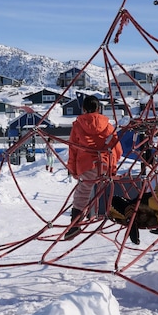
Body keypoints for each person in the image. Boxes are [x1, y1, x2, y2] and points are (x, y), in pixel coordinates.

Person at [64, 95, 122, 240]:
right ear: (99, 108)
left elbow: (73, 150)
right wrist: (112, 165)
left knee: (82, 193)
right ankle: (127, 215)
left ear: (83, 109)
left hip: (87, 165)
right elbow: (117, 148)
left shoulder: (77, 126)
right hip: (105, 164)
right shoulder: (108, 126)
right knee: (111, 191)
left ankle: (75, 224)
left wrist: (73, 170)